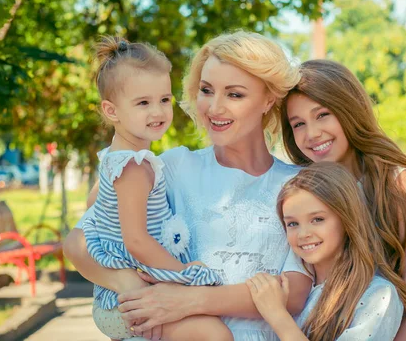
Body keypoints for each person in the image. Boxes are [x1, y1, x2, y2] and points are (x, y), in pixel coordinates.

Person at [64, 31, 312, 341]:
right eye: (207, 90)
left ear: (268, 99)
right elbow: (79, 240)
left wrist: (189, 300)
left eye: (234, 94)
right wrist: (131, 287)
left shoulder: (298, 185)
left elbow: (295, 292)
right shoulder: (169, 167)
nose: (215, 107)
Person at [81, 36, 231, 341]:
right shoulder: (133, 166)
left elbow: (93, 203)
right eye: (143, 103)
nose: (158, 112)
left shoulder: (118, 156)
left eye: (164, 99)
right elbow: (136, 240)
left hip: (123, 296)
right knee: (214, 334)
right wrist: (185, 273)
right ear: (111, 111)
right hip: (124, 304)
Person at [280, 59, 406, 340]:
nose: (312, 133)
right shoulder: (301, 191)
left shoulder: (401, 185)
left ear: (349, 110)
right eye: (298, 124)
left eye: (323, 115)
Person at [247, 162, 406, 341]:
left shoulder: (377, 295)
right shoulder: (293, 290)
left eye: (317, 219)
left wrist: (277, 316)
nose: (303, 234)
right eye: (293, 223)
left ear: (346, 220)